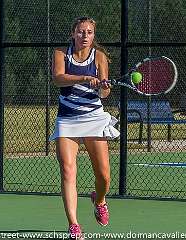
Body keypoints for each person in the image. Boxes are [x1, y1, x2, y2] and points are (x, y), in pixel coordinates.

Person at [49, 17, 119, 239]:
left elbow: (104, 94)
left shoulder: (99, 57)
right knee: (68, 170)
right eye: (81, 32)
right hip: (67, 119)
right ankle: (74, 225)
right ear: (73, 33)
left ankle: (99, 200)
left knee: (104, 177)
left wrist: (103, 86)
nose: (85, 36)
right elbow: (58, 79)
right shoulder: (61, 53)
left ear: (93, 35)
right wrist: (84, 77)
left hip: (94, 118)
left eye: (89, 32)